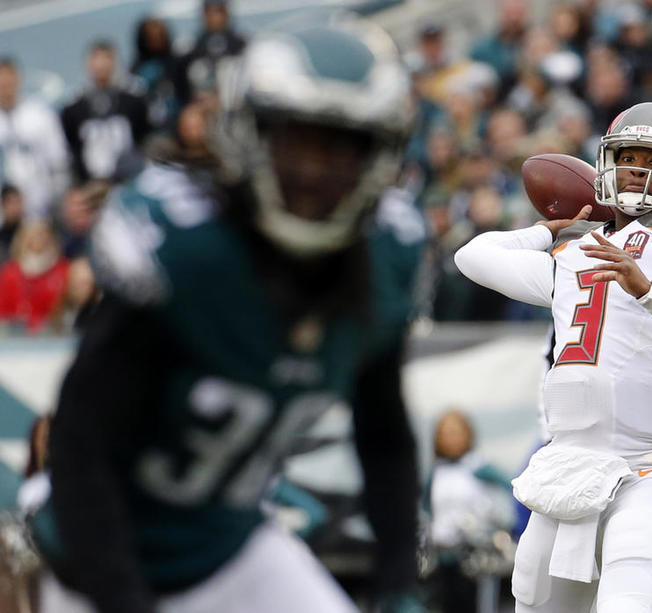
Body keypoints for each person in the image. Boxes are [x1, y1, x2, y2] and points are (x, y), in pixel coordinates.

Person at [31, 19, 420, 613]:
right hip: (98, 566)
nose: (315, 171)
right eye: (298, 139)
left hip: (229, 549)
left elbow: (384, 436)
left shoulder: (387, 258)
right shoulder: (185, 251)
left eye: (341, 146)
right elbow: (81, 450)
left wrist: (398, 583)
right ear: (249, 131)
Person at [455, 101, 652, 612]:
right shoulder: (576, 252)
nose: (639, 170)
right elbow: (473, 256)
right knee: (532, 599)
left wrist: (649, 292)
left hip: (649, 467)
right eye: (630, 156)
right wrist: (552, 229)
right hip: (569, 463)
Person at [425, 409, 512, 613]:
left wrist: (498, 524)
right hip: (443, 556)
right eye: (445, 433)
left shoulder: (477, 466)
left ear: (468, 434)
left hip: (474, 558)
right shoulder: (437, 471)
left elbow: (512, 487)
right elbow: (426, 508)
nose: (451, 438)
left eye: (456, 432)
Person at [60, 40, 150, 182]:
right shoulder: (74, 108)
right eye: (96, 58)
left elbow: (143, 137)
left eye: (107, 58)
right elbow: (73, 148)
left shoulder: (133, 101)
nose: (101, 65)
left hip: (129, 181)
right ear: (88, 64)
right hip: (92, 185)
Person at [0, 58, 70, 219]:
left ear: (18, 80)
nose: (5, 89)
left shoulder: (39, 116)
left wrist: (56, 201)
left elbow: (58, 161)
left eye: (8, 82)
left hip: (41, 208)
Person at [0, 221, 69, 334]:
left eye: (42, 234)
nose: (38, 238)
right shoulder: (10, 272)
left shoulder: (62, 270)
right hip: (15, 336)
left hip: (52, 334)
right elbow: (2, 310)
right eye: (33, 234)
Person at [174, 0, 245, 107]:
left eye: (219, 12)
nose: (215, 18)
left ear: (226, 14)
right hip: (200, 105)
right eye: (210, 13)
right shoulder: (190, 48)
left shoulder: (243, 45)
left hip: (236, 104)